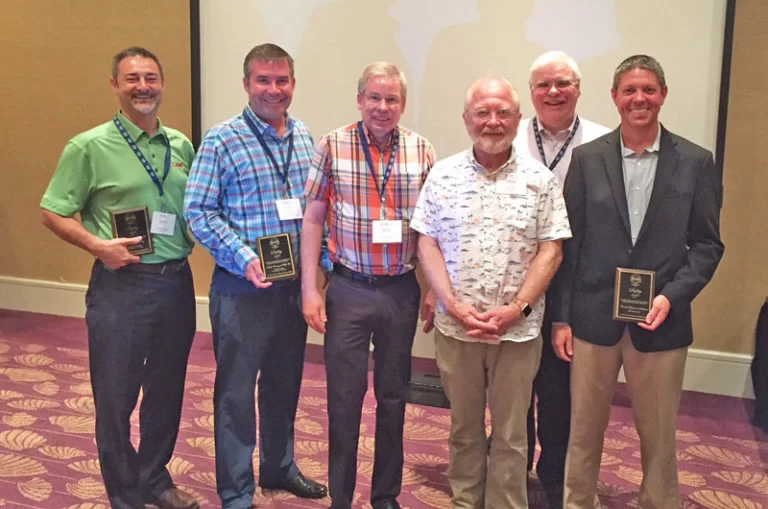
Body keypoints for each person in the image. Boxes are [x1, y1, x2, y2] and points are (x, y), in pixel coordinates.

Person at [552, 55, 724, 509]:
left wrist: (672, 296)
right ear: (614, 97)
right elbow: (570, 245)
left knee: (659, 436)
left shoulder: (696, 162)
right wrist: (561, 318)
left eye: (648, 89)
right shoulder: (587, 159)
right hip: (592, 320)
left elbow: (707, 245)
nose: (639, 99)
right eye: (629, 90)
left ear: (663, 95)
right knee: (583, 431)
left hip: (661, 321)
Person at [40, 47, 199, 509]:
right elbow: (52, 211)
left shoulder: (180, 144)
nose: (143, 87)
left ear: (162, 84)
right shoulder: (88, 146)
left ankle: (155, 479)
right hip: (122, 284)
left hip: (176, 282)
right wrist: (97, 245)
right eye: (132, 79)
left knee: (166, 389)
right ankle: (124, 493)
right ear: (115, 85)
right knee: (116, 396)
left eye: (151, 78)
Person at [412, 75, 571, 509]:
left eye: (503, 112)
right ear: (467, 119)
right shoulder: (442, 176)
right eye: (482, 112)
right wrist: (450, 303)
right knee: (463, 428)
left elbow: (551, 250)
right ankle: (465, 501)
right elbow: (426, 243)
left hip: (517, 334)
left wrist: (516, 309)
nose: (493, 121)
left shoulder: (541, 181)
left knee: (512, 434)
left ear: (518, 119)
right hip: (456, 329)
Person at [183, 43, 327, 509]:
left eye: (281, 80)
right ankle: (237, 489)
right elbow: (198, 211)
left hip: (292, 290)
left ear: (293, 83)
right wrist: (244, 256)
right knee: (237, 394)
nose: (273, 89)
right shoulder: (221, 140)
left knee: (284, 384)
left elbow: (313, 211)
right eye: (263, 80)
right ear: (246, 84)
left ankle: (280, 467)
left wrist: (321, 266)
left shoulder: (304, 136)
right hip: (242, 288)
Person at [301, 62, 436, 509]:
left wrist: (434, 289)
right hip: (349, 290)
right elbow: (313, 218)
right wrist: (309, 288)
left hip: (400, 290)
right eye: (374, 97)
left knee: (394, 397)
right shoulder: (332, 145)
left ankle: (385, 496)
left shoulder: (421, 150)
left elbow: (433, 229)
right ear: (359, 100)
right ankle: (341, 498)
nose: (382, 107)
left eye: (391, 99)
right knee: (344, 399)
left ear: (403, 103)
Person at [513, 50, 610, 509]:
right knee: (514, 385)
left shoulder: (603, 142)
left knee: (560, 389)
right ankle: (512, 468)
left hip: (574, 283)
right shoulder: (508, 136)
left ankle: (555, 474)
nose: (554, 92)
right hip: (515, 281)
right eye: (543, 85)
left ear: (579, 89)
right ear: (531, 92)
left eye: (563, 83)